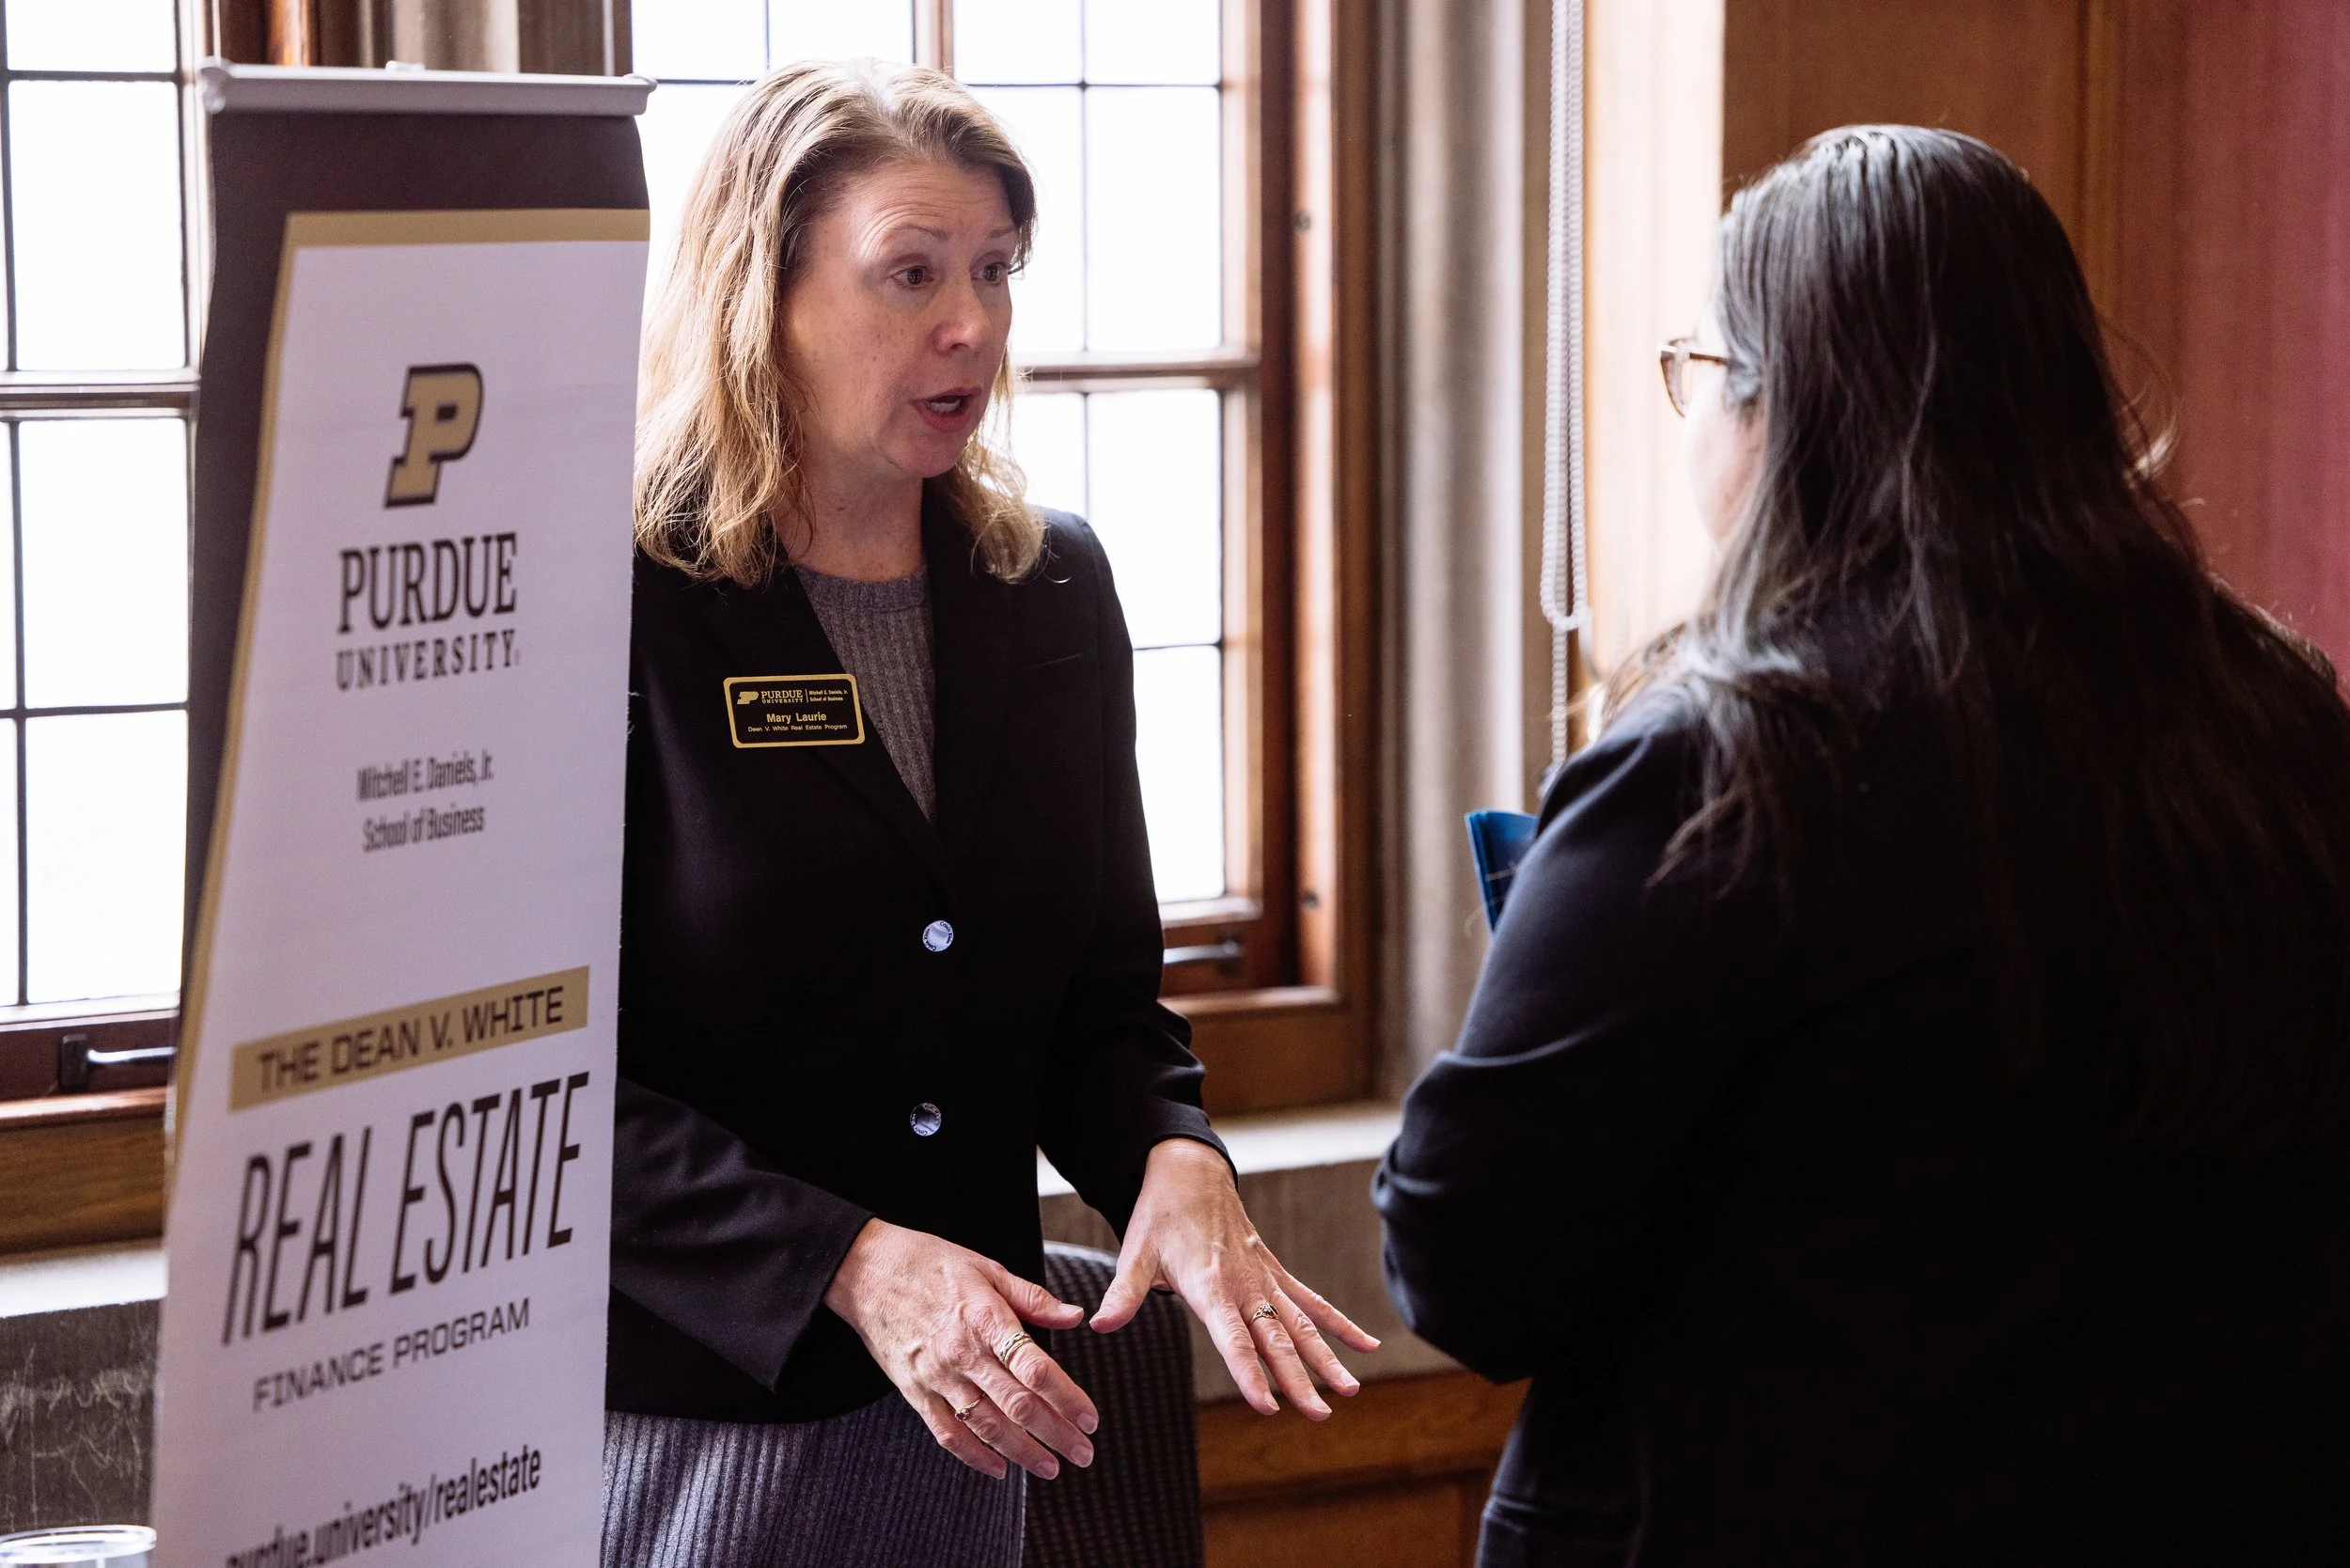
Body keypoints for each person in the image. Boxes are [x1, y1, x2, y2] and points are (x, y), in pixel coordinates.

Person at [1375, 125, 2350, 1567]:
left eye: (1701, 373)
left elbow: (1465, 1263)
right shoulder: (2273, 709)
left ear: (1783, 411)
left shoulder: (1730, 763)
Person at [603, 60, 1376, 1568]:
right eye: (911, 274)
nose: (976, 326)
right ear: (761, 291)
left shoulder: (1053, 584)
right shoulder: (618, 603)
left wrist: (1174, 1153)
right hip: (697, 1432)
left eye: (997, 272)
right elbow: (535, 1088)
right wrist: (843, 1264)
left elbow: (1099, 1000)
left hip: (977, 1430)